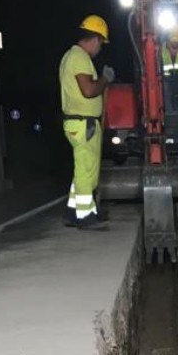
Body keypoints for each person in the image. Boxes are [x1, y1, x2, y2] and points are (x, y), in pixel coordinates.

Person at [59, 15, 114, 230]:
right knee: (86, 171)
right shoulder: (80, 57)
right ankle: (85, 216)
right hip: (84, 124)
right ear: (95, 39)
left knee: (82, 169)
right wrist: (105, 79)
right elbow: (89, 90)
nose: (100, 48)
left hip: (78, 123)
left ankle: (73, 211)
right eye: (101, 43)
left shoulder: (70, 56)